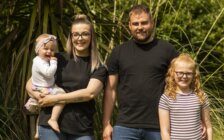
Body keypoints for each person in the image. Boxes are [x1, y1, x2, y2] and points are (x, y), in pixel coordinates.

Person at [102, 4, 178, 140]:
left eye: (144, 23)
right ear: (129, 26)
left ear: (152, 23)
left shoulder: (167, 50)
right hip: (125, 126)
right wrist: (106, 124)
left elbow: (182, 85)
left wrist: (199, 118)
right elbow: (110, 89)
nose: (140, 27)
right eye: (135, 24)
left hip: (159, 126)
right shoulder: (119, 52)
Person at [26, 14, 107, 140]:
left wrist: (54, 99)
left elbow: (89, 94)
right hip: (49, 126)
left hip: (81, 128)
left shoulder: (98, 66)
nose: (80, 38)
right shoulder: (57, 58)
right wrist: (39, 97)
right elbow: (31, 83)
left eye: (85, 34)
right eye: (75, 34)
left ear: (92, 37)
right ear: (71, 37)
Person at [158, 53, 212, 140]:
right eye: (180, 73)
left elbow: (208, 126)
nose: (184, 76)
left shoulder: (201, 96)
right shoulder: (166, 98)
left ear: (194, 75)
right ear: (173, 73)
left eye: (188, 73)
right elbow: (165, 131)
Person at [24, 33, 66, 139]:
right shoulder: (39, 62)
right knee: (62, 96)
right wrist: (53, 62)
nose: (49, 52)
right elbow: (49, 73)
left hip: (42, 86)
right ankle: (53, 119)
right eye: (46, 49)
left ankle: (38, 130)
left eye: (52, 50)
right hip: (43, 88)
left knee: (41, 110)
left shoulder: (40, 60)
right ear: (38, 50)